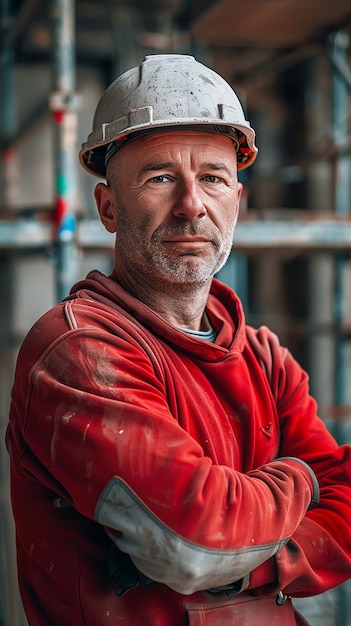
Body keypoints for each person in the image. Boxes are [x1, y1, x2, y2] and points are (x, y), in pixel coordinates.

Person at [6, 54, 351, 626]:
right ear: (109, 208)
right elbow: (194, 545)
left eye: (214, 178)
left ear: (236, 204)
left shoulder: (264, 357)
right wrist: (302, 477)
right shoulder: (79, 353)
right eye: (160, 177)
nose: (193, 204)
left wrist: (253, 546)